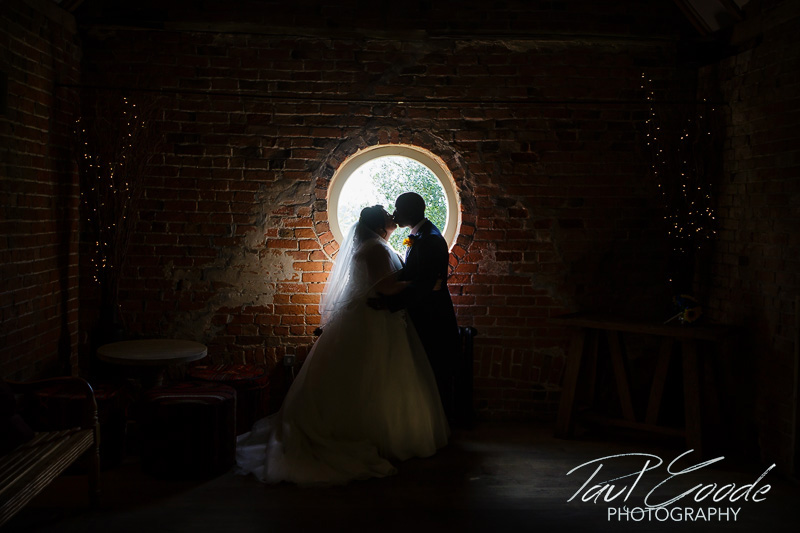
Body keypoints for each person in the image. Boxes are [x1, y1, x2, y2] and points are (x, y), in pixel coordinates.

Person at [236, 205, 449, 486]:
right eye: (387, 214)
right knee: (376, 375)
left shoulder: (376, 245)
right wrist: (425, 285)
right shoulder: (376, 248)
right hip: (375, 322)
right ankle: (372, 434)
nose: (392, 215)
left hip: (376, 317)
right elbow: (385, 288)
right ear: (379, 226)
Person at [372, 192, 461, 422]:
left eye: (398, 209)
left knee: (435, 373)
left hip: (433, 319)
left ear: (410, 211)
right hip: (423, 315)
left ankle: (438, 425)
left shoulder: (430, 239)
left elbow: (424, 285)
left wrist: (389, 304)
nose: (394, 214)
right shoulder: (420, 234)